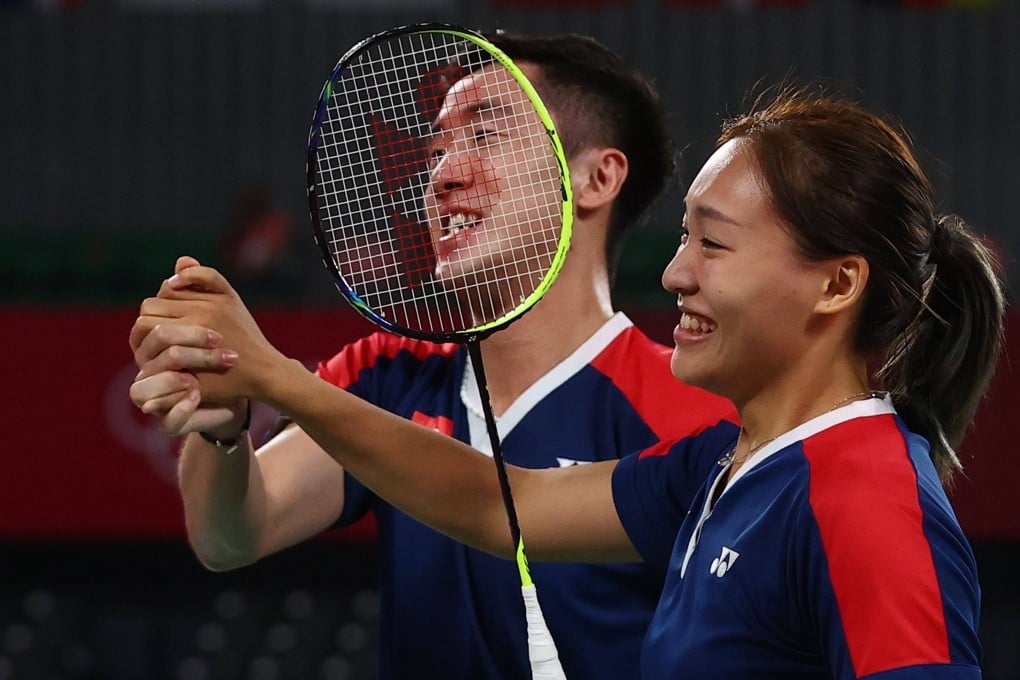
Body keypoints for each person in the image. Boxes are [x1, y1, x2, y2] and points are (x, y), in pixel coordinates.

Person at [132, 84, 1005, 678]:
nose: (676, 275)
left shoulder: (867, 499)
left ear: (836, 283)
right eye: (683, 238)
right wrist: (274, 384)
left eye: (714, 244)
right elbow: (494, 503)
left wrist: (277, 375)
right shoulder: (720, 468)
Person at [129, 31, 736, 680]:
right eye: (438, 150)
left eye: (485, 134)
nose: (442, 176)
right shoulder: (384, 375)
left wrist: (273, 376)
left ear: (595, 177)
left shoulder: (693, 415)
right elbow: (231, 537)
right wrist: (224, 428)